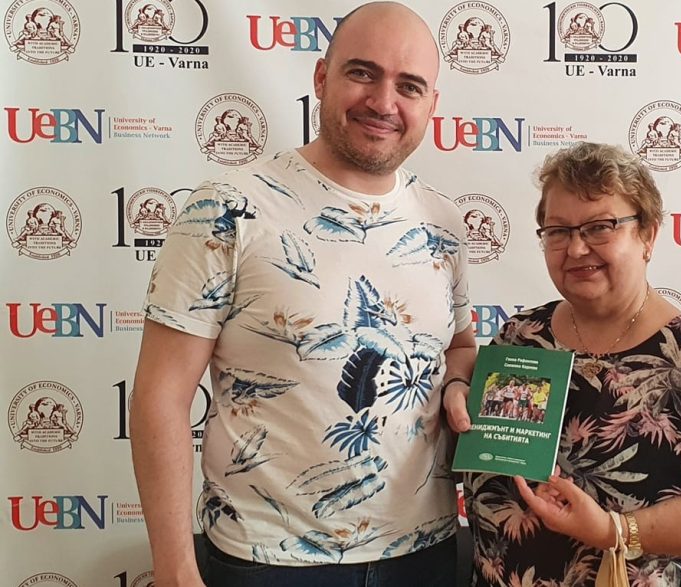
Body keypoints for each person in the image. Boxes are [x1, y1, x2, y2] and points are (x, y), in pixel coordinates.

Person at [130, 3, 476, 586]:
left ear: (431, 105)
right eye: (362, 73)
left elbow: (459, 346)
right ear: (321, 77)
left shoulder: (443, 222)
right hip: (268, 561)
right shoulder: (229, 208)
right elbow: (160, 397)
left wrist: (460, 383)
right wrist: (174, 567)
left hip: (425, 555)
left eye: (409, 86)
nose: (384, 102)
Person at [445, 142, 681, 586]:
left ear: (648, 235)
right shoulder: (521, 337)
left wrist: (614, 530)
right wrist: (457, 392)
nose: (576, 248)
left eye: (600, 227)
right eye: (558, 231)